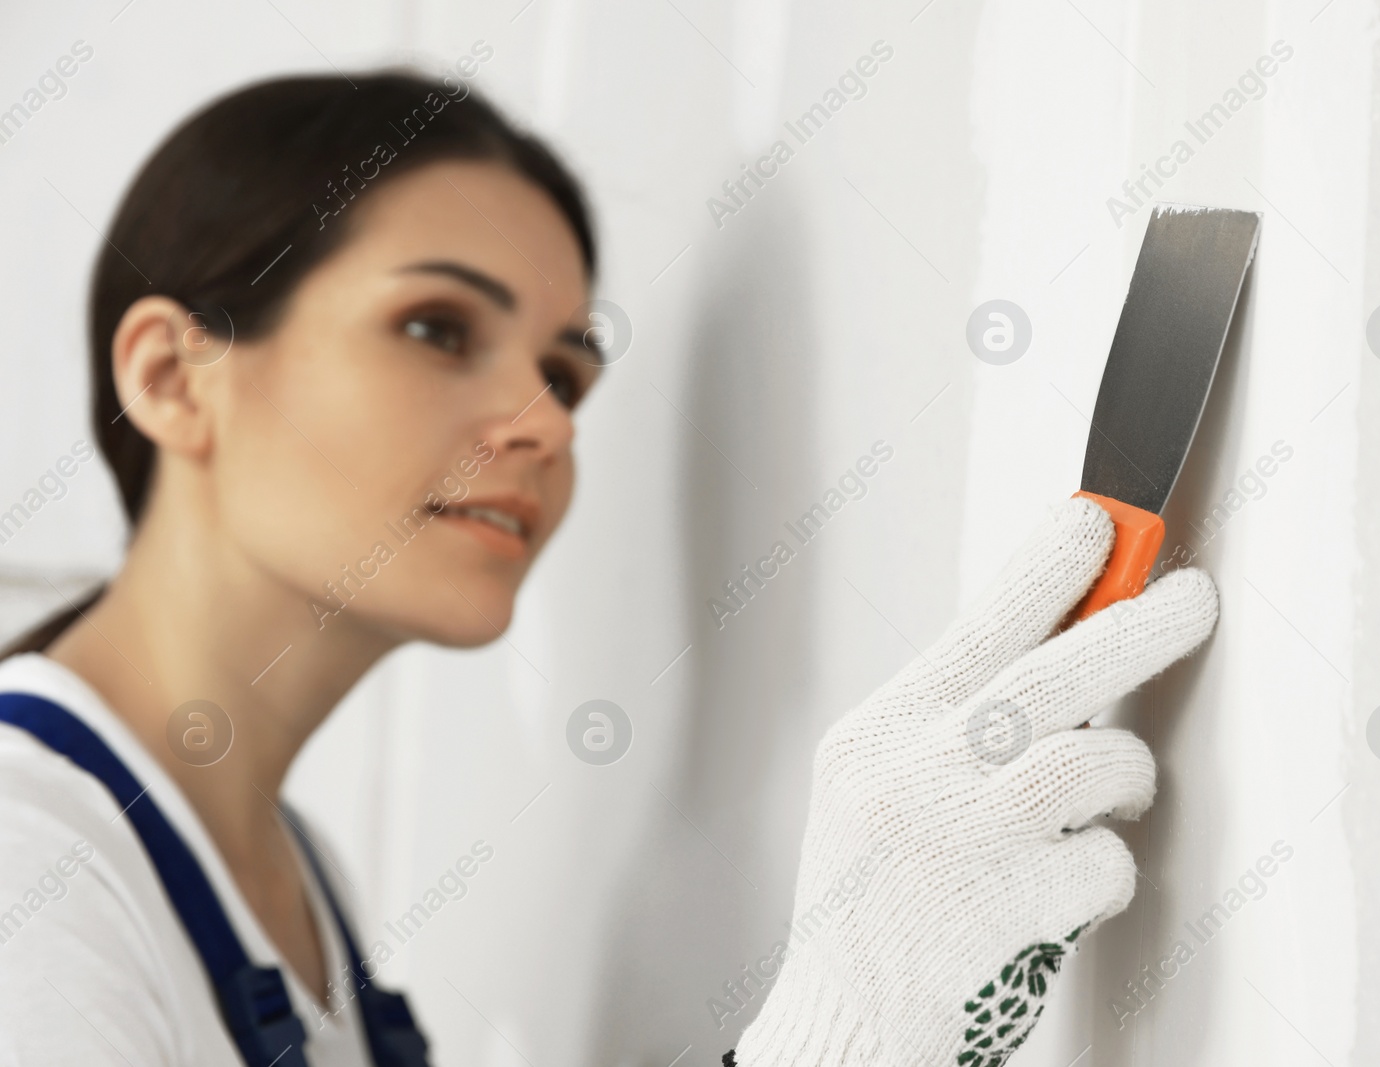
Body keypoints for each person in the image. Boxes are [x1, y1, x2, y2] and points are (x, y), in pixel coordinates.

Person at [0, 71, 1218, 1067]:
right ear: (170, 374)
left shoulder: (293, 878)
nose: (544, 423)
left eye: (569, 374)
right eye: (437, 326)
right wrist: (838, 1029)